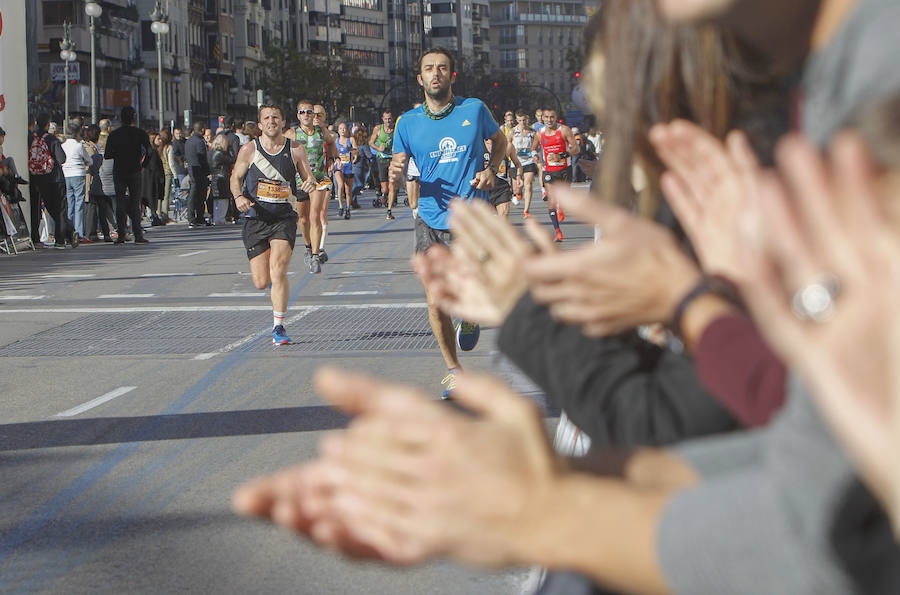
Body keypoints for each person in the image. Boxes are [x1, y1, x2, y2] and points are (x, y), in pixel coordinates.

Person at [388, 47, 508, 398]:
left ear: (451, 75)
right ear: (420, 78)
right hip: (428, 218)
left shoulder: (474, 110)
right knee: (435, 302)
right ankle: (454, 371)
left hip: (470, 215)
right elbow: (399, 162)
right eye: (429, 68)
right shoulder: (407, 123)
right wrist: (395, 173)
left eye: (442, 68)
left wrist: (491, 170)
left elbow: (499, 142)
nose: (435, 73)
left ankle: (470, 311)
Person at [229, 104, 316, 345]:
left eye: (275, 117)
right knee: (261, 281)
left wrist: (309, 184)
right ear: (259, 125)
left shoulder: (296, 149)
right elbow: (235, 178)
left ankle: (279, 326)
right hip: (255, 218)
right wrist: (238, 197)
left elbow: (308, 177)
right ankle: (273, 296)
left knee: (278, 271)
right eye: (266, 118)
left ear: (282, 121)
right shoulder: (248, 150)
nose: (271, 121)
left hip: (283, 219)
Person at [293, 100, 338, 273]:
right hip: (300, 181)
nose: (306, 115)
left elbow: (332, 142)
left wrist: (334, 158)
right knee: (303, 219)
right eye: (303, 112)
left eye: (309, 112)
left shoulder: (322, 132)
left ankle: (315, 254)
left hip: (319, 178)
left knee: (315, 216)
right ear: (298, 115)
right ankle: (308, 245)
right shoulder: (293, 134)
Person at [104, 106, 150, 244]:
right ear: (134, 117)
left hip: (119, 170)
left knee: (120, 203)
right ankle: (138, 234)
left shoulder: (114, 135)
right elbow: (149, 151)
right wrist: (143, 165)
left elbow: (107, 155)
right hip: (135, 170)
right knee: (135, 202)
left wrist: (119, 153)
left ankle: (121, 234)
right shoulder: (140, 133)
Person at [531, 107, 579, 242]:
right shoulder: (540, 133)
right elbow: (534, 148)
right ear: (542, 118)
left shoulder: (563, 130)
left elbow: (575, 148)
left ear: (556, 117)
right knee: (551, 201)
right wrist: (535, 156)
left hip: (564, 169)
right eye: (546, 117)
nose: (549, 120)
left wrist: (562, 155)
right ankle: (558, 232)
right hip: (549, 170)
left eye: (551, 117)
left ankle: (561, 206)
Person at [30, 113, 74, 248]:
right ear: (48, 125)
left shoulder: (32, 139)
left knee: (50, 208)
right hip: (56, 179)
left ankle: (70, 233)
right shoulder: (52, 139)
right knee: (60, 209)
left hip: (40, 179)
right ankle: (61, 239)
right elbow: (62, 159)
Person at [61, 120, 91, 243]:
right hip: (78, 174)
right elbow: (89, 160)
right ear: (77, 133)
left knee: (69, 204)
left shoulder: (63, 145)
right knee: (79, 204)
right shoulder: (79, 146)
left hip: (66, 175)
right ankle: (78, 232)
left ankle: (69, 232)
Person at [84, 124, 115, 243]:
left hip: (94, 184)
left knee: (97, 208)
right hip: (99, 183)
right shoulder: (94, 151)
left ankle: (94, 233)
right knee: (101, 209)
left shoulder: (90, 148)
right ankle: (102, 233)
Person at [508, 109, 538, 218]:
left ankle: (526, 211)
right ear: (517, 120)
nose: (522, 122)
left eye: (524, 120)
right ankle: (518, 193)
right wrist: (512, 151)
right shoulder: (512, 132)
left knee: (528, 184)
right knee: (517, 188)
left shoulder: (532, 132)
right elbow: (508, 145)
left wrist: (534, 152)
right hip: (516, 162)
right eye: (520, 120)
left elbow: (537, 146)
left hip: (528, 161)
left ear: (527, 119)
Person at [369, 110, 397, 219]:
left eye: (389, 118)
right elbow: (370, 142)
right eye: (385, 119)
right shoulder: (378, 129)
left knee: (392, 184)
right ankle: (384, 195)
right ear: (382, 119)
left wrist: (397, 148)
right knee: (385, 188)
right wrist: (378, 148)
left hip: (393, 158)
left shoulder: (395, 129)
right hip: (382, 159)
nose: (387, 121)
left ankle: (389, 210)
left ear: (392, 119)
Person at [184, 121, 211, 228]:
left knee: (193, 194)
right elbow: (202, 158)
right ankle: (199, 217)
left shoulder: (189, 141)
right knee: (199, 195)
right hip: (199, 171)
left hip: (191, 170)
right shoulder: (200, 142)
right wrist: (207, 171)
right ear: (202, 130)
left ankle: (192, 217)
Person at [208, 133, 235, 221]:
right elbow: (232, 159)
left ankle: (217, 218)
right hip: (222, 177)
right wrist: (230, 149)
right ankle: (220, 218)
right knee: (223, 200)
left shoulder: (211, 152)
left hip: (215, 177)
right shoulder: (220, 153)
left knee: (217, 200)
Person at [142, 132, 166, 226]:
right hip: (151, 179)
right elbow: (154, 167)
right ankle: (153, 215)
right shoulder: (152, 152)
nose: (160, 141)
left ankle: (153, 215)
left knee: (151, 198)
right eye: (158, 139)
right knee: (151, 197)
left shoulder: (152, 151)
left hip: (150, 178)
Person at [334, 121, 356, 220]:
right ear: (338, 131)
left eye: (344, 128)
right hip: (339, 166)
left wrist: (349, 149)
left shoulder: (350, 139)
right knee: (340, 185)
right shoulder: (335, 141)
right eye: (340, 129)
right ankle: (340, 206)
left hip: (348, 167)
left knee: (348, 190)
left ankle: (347, 208)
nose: (342, 130)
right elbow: (332, 152)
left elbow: (356, 151)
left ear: (347, 130)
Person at [158, 128, 174, 224]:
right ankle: (165, 215)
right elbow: (171, 163)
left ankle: (158, 213)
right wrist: (175, 175)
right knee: (166, 195)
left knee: (159, 194)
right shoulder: (169, 147)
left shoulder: (158, 147)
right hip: (167, 172)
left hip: (159, 172)